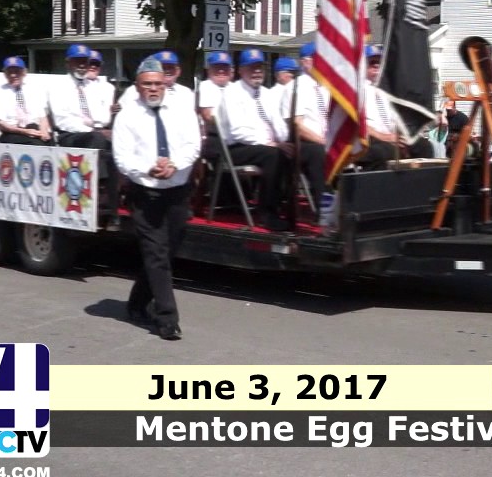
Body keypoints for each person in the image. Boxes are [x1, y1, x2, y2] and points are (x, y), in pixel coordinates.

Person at [113, 57, 201, 340]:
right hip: (145, 193)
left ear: (166, 84)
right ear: (137, 87)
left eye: (157, 84)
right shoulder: (127, 116)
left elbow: (193, 144)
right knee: (156, 253)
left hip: (177, 190)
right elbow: (122, 158)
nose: (153, 89)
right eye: (147, 84)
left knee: (166, 252)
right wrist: (146, 170)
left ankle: (137, 303)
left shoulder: (182, 110)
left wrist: (174, 164)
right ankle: (167, 319)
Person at [217, 48, 293, 231]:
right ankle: (267, 213)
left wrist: (282, 140)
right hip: (237, 148)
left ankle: (288, 207)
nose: (257, 71)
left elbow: (279, 125)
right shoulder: (232, 93)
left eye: (260, 67)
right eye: (252, 67)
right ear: (241, 70)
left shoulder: (267, 94)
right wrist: (267, 142)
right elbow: (238, 131)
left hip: (265, 147)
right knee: (273, 155)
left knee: (294, 151)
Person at [48, 43, 119, 225]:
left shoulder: (95, 87)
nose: (81, 65)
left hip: (94, 133)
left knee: (116, 148)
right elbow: (62, 119)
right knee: (98, 139)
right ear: (68, 63)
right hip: (68, 136)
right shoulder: (57, 87)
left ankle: (113, 206)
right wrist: (92, 128)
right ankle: (101, 188)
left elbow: (103, 116)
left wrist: (99, 127)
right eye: (77, 61)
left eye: (84, 61)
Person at [356, 45, 433, 172]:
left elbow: (399, 119)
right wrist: (385, 137)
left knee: (423, 146)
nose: (377, 65)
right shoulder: (357, 90)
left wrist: (402, 136)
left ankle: (419, 186)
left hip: (391, 137)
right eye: (372, 62)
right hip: (367, 138)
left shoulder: (389, 90)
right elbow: (356, 124)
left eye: (380, 62)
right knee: (385, 151)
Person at [281, 42, 331, 209]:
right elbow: (297, 126)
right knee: (318, 153)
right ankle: (324, 210)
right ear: (304, 62)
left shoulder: (326, 87)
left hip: (324, 139)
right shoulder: (295, 87)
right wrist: (322, 141)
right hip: (303, 142)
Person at [0, 56, 52, 145]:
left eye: (16, 71)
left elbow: (43, 116)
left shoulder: (34, 89)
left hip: (34, 128)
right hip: (12, 131)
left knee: (50, 142)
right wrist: (24, 131)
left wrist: (44, 131)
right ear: (4, 74)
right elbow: (0, 123)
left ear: (24, 72)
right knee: (36, 144)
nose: (13, 75)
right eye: (9, 72)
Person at [120, 51, 196, 111]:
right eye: (162, 67)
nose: (167, 71)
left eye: (170, 67)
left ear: (178, 71)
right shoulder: (133, 91)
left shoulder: (186, 93)